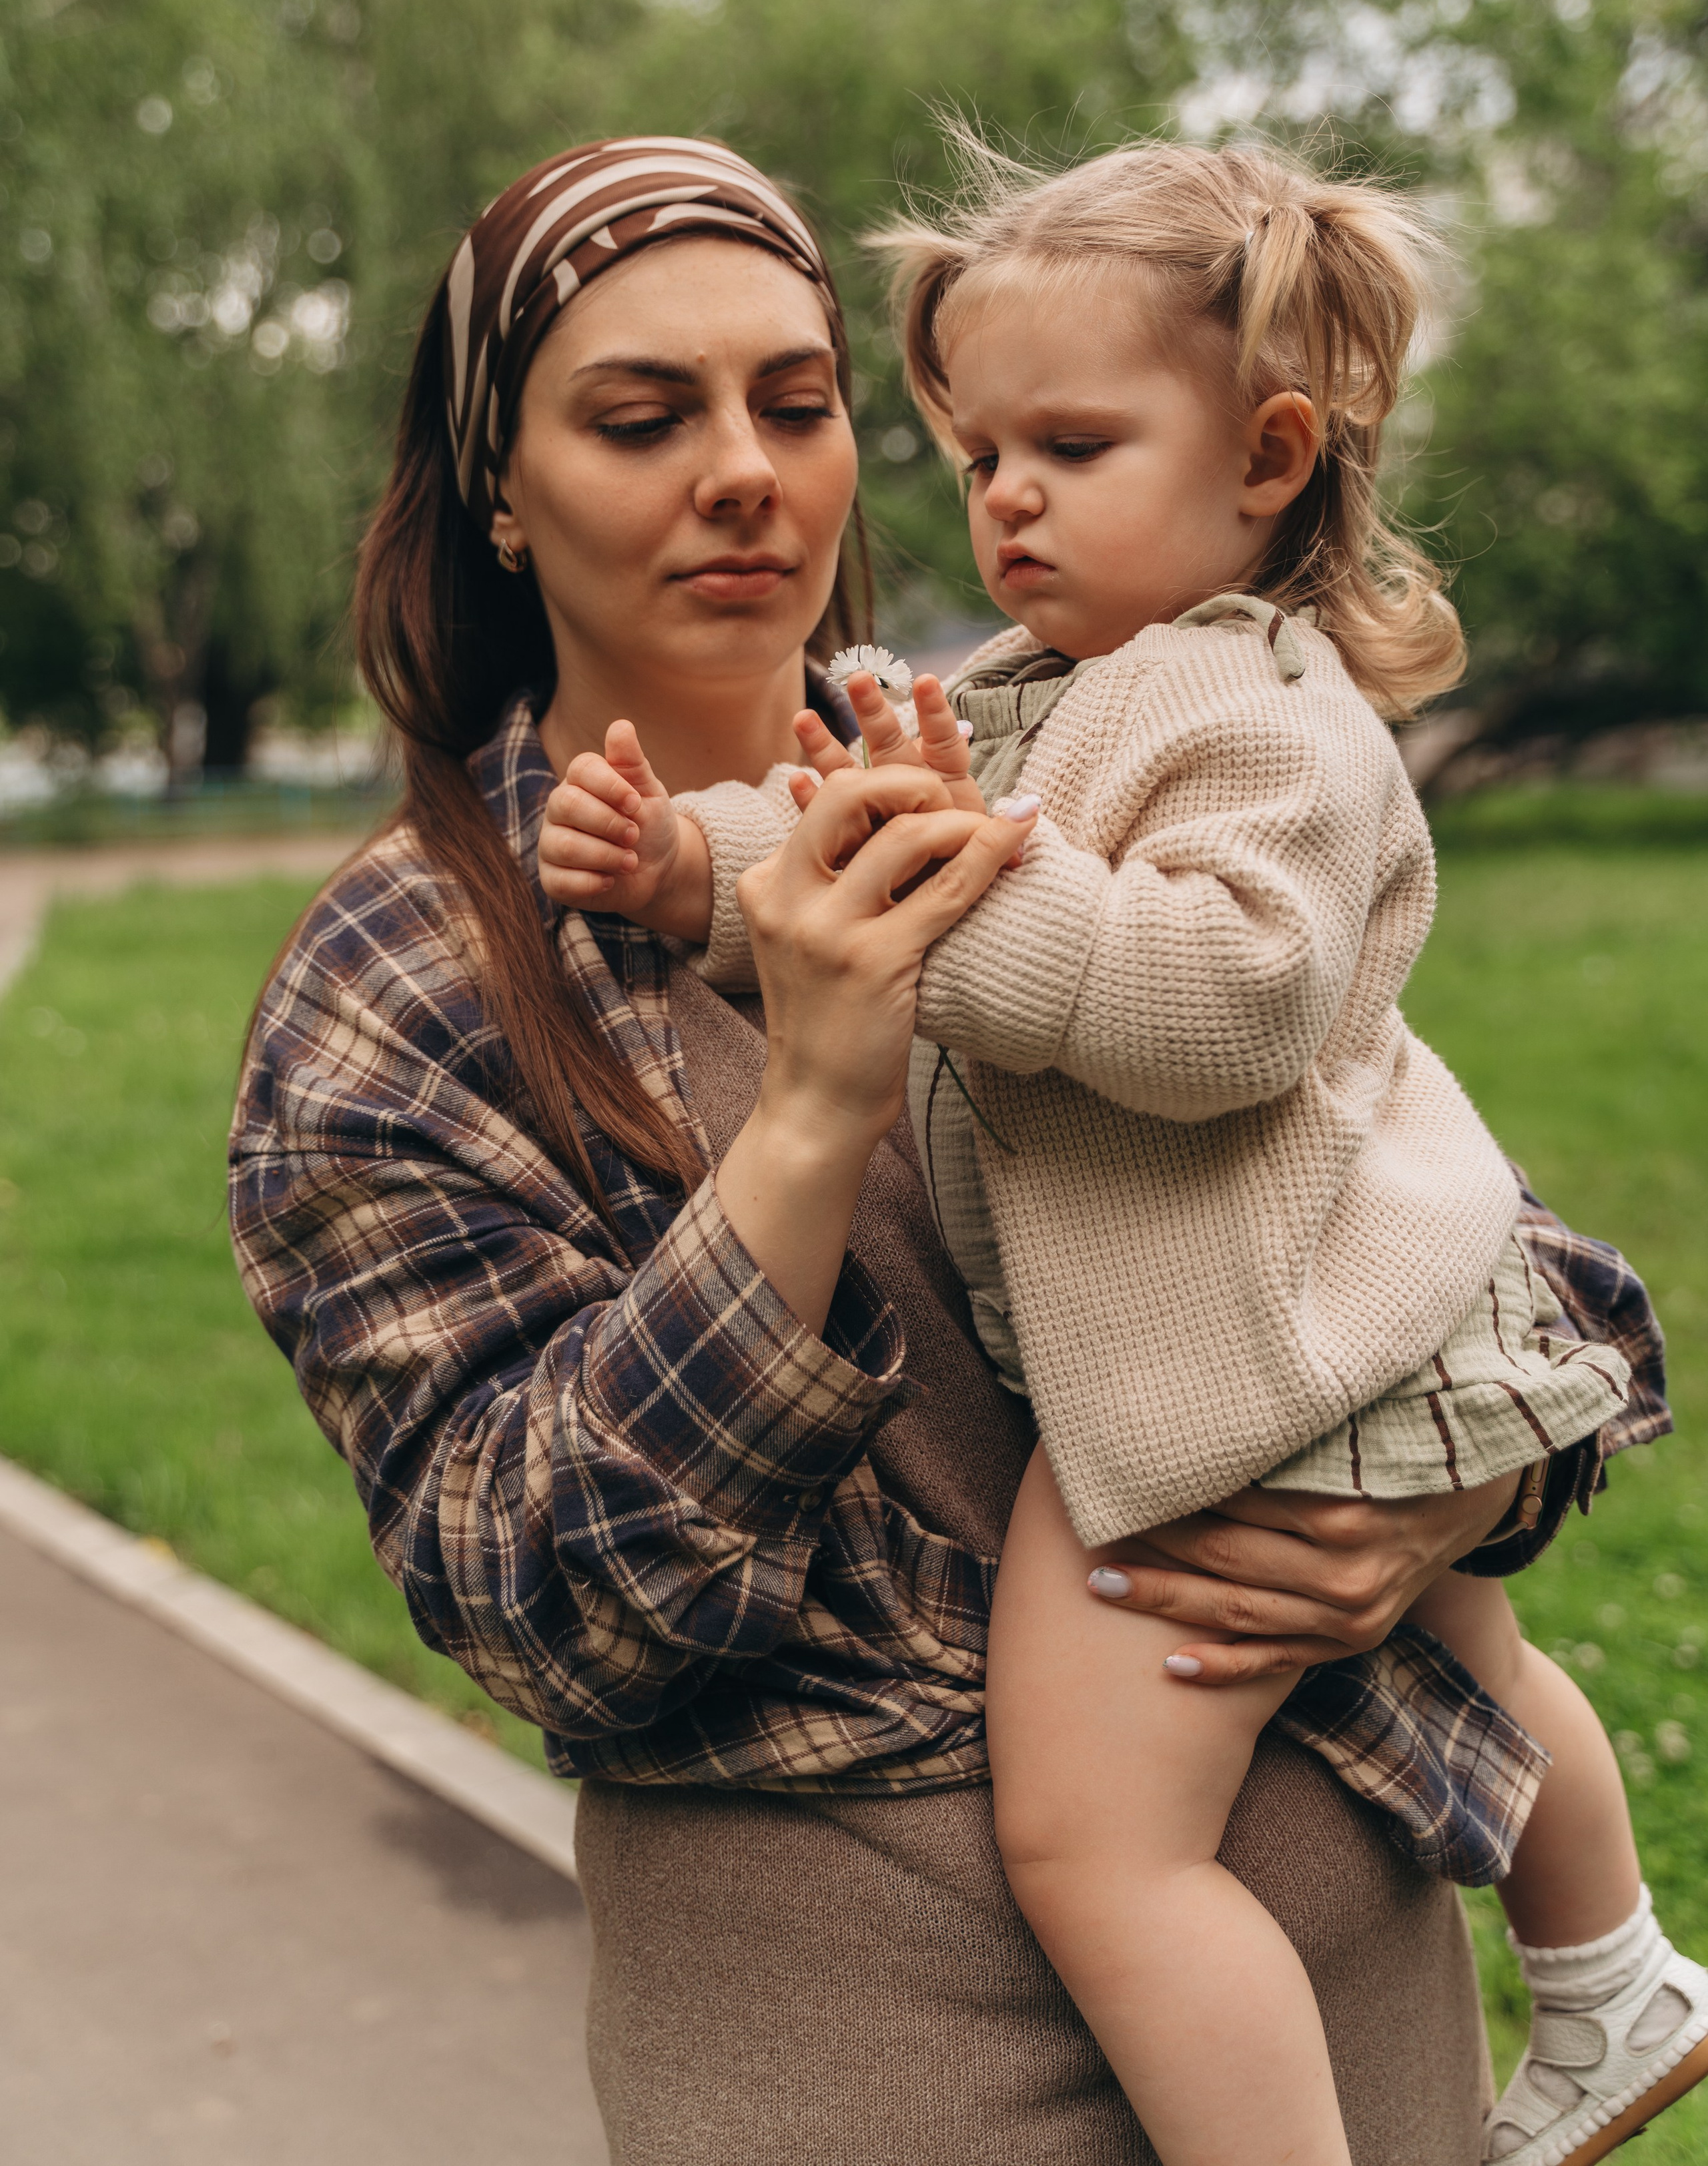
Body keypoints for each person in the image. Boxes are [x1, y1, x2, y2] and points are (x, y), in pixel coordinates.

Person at [232, 135, 1660, 2166]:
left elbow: (1440, 1237)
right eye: (643, 417)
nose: (742, 467)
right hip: (883, 2069)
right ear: (499, 492)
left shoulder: (1072, 752)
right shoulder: (407, 988)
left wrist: (1465, 1489)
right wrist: (812, 1108)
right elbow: (546, 1598)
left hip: (1353, 2040)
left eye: (795, 404)